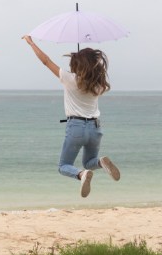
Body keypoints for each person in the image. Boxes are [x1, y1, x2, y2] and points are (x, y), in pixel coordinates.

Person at [22, 35, 120, 197]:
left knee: (64, 166)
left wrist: (31, 43)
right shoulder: (98, 84)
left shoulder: (69, 79)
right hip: (95, 128)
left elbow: (46, 61)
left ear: (77, 64)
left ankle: (81, 175)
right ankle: (101, 162)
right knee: (90, 162)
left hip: (76, 127)